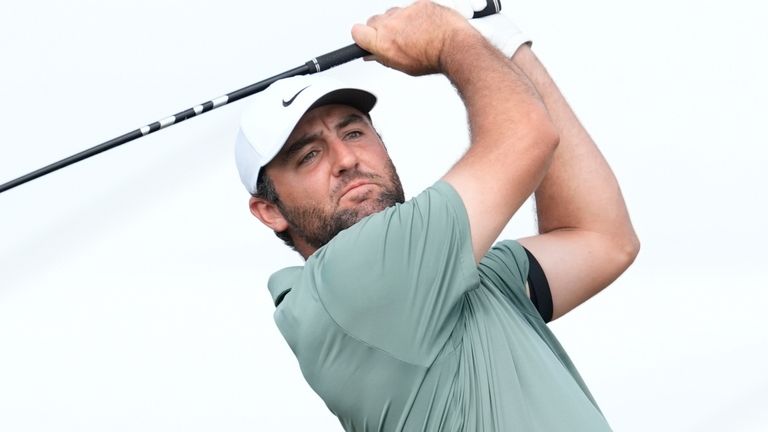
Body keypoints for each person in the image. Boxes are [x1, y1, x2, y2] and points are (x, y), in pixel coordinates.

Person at [234, 1, 639, 430]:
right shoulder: (347, 282)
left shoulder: (459, 275)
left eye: (354, 132)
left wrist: (505, 46)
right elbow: (527, 136)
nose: (347, 158)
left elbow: (602, 239)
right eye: (309, 155)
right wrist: (451, 40)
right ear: (269, 211)